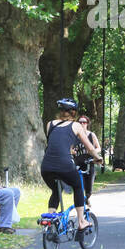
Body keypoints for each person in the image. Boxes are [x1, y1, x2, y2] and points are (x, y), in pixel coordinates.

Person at [41, 98, 102, 231]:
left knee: (56, 190)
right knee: (78, 186)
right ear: (74, 112)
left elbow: (56, 143)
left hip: (46, 166)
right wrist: (97, 158)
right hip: (64, 165)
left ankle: (50, 222)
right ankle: (81, 221)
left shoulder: (50, 124)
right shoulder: (76, 126)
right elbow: (90, 148)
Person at [73, 113, 101, 204]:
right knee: (79, 186)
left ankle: (87, 197)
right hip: (78, 163)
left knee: (89, 187)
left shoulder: (91, 135)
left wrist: (93, 152)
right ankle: (81, 203)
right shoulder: (74, 136)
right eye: (80, 122)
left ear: (87, 123)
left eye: (84, 122)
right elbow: (70, 149)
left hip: (89, 163)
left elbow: (98, 148)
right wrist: (73, 151)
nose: (82, 124)